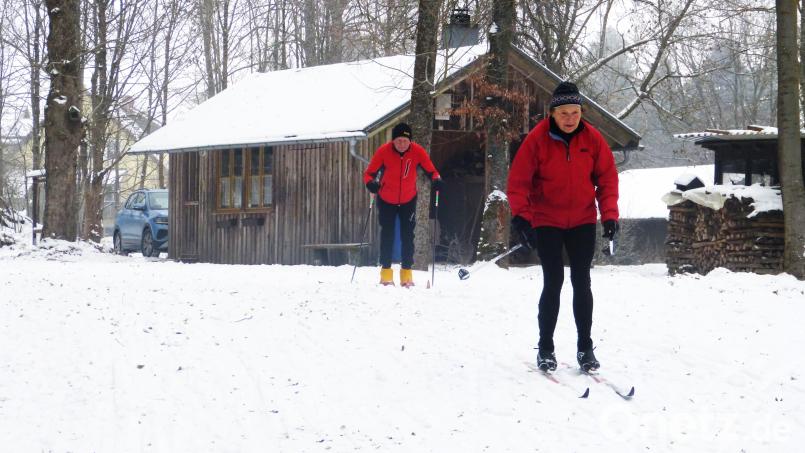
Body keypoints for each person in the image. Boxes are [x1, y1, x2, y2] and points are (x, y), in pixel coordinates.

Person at [506, 81, 619, 372]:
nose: (570, 118)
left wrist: (609, 216)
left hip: (582, 220)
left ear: (581, 112)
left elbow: (607, 180)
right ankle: (546, 347)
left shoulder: (593, 140)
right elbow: (518, 181)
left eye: (575, 112)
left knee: (582, 282)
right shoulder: (537, 139)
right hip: (547, 221)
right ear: (553, 114)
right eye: (564, 113)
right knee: (553, 282)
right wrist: (522, 217)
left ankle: (585, 348)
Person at [363, 122, 443, 287]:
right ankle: (386, 275)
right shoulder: (383, 151)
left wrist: (436, 180)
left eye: (405, 141)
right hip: (386, 200)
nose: (401, 144)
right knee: (388, 234)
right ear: (393, 141)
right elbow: (368, 174)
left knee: (408, 236)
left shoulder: (417, 151)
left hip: (408, 199)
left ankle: (406, 275)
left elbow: (432, 171)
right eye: (398, 140)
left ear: (410, 141)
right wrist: (371, 184)